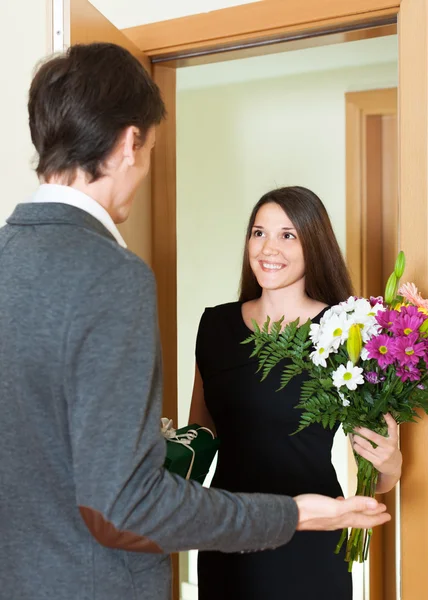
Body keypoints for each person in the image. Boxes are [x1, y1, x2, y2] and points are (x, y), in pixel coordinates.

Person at [0, 45, 391, 600]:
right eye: (153, 148)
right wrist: (293, 515)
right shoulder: (114, 275)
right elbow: (127, 503)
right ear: (130, 143)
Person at [190, 186, 402, 600]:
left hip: (313, 538)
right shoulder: (214, 327)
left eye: (288, 235)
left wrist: (391, 464)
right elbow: (201, 433)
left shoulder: (344, 332)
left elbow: (375, 477)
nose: (269, 248)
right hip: (229, 531)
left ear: (313, 245)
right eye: (258, 232)